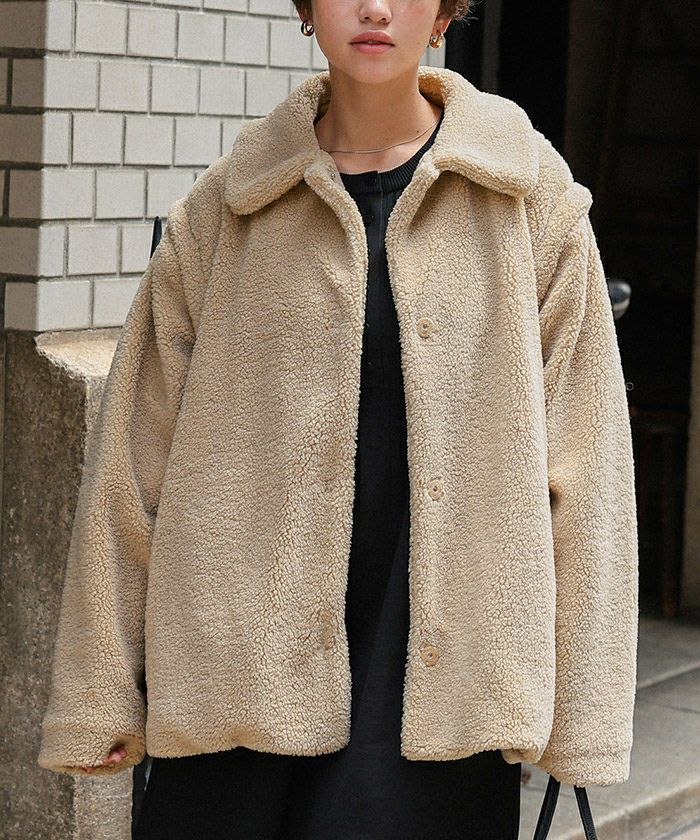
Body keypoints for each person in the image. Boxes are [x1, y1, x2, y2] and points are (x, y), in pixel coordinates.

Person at [37, 0, 640, 838]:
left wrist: (583, 714)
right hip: (234, 680)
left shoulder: (527, 201)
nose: (374, 7)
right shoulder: (225, 209)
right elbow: (131, 463)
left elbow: (590, 467)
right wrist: (99, 689)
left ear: (446, 11)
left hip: (437, 706)